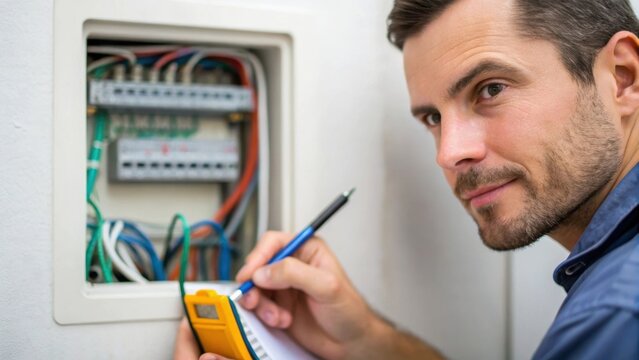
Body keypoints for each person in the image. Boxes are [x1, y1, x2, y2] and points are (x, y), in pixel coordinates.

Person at [175, 0, 639, 358]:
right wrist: (368, 342)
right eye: (433, 117)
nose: (449, 153)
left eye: (490, 89)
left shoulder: (615, 315)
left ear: (623, 77)